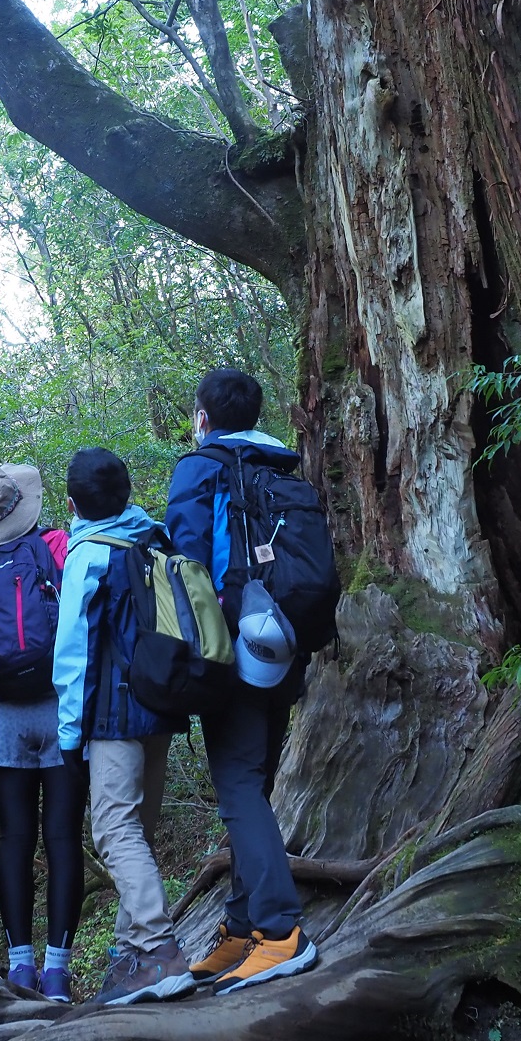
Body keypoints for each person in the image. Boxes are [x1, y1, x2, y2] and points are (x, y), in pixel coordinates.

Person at [167, 368, 319, 992]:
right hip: (284, 643)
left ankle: (281, 933)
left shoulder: (200, 470)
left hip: (231, 649)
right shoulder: (282, 468)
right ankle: (241, 925)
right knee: (251, 785)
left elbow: (187, 566)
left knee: (238, 788)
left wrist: (190, 660)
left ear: (203, 417)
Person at [53, 447, 197, 1005]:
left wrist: (70, 735)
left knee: (115, 831)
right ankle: (130, 956)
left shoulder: (87, 554)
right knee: (139, 829)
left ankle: (159, 949)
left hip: (113, 715)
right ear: (128, 491)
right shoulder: (154, 537)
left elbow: (73, 653)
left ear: (72, 505)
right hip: (160, 702)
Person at [0, 463, 81, 1002]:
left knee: (14, 839)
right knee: (62, 838)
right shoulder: (57, 548)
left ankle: (20, 970)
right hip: (61, 711)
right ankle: (58, 973)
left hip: (5, 718)